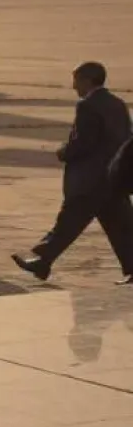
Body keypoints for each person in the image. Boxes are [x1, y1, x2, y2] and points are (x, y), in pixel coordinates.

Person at [12, 61, 133, 286]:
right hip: (115, 177)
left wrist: (64, 153)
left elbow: (83, 142)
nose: (74, 86)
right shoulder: (118, 103)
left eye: (76, 80)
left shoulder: (87, 105)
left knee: (69, 221)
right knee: (122, 228)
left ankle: (43, 260)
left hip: (90, 179)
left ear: (87, 80)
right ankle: (43, 260)